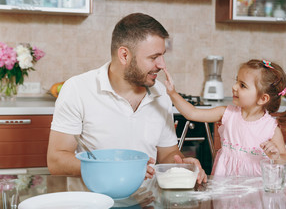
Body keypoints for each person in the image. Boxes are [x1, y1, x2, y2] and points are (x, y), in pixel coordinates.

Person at [47, 13, 206, 184]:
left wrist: (181, 166)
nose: (162, 65)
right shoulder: (78, 89)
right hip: (94, 202)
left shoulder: (161, 94)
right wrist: (114, 169)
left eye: (162, 55)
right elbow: (57, 161)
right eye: (154, 57)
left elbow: (167, 153)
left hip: (147, 202)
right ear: (124, 55)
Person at [163, 59, 286, 176]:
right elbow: (192, 113)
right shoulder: (227, 113)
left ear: (262, 98)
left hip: (256, 188)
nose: (234, 87)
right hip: (226, 182)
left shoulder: (270, 128)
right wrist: (172, 93)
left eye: (242, 85)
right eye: (236, 81)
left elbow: (285, 159)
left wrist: (276, 156)